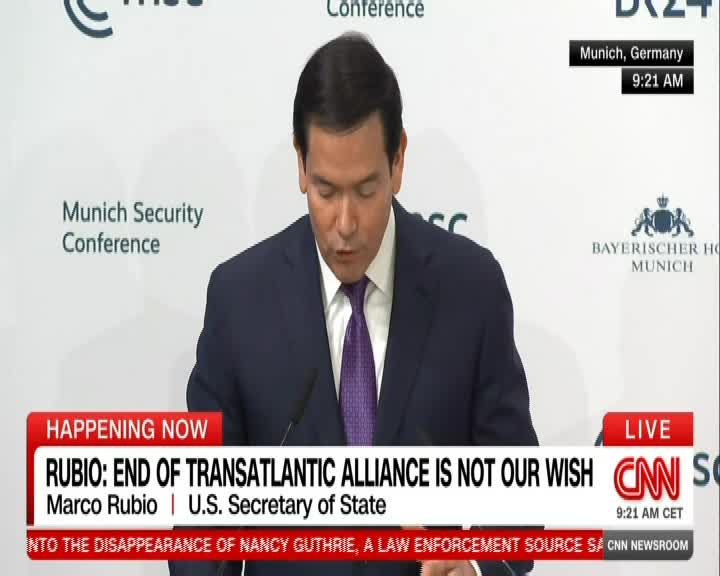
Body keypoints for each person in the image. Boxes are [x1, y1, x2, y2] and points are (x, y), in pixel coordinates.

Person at [171, 32, 538, 576]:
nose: (345, 224)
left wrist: (476, 566)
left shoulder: (471, 289)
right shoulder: (239, 300)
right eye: (325, 191)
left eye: (366, 191)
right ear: (300, 164)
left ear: (398, 161)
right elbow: (200, 532)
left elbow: (521, 505)